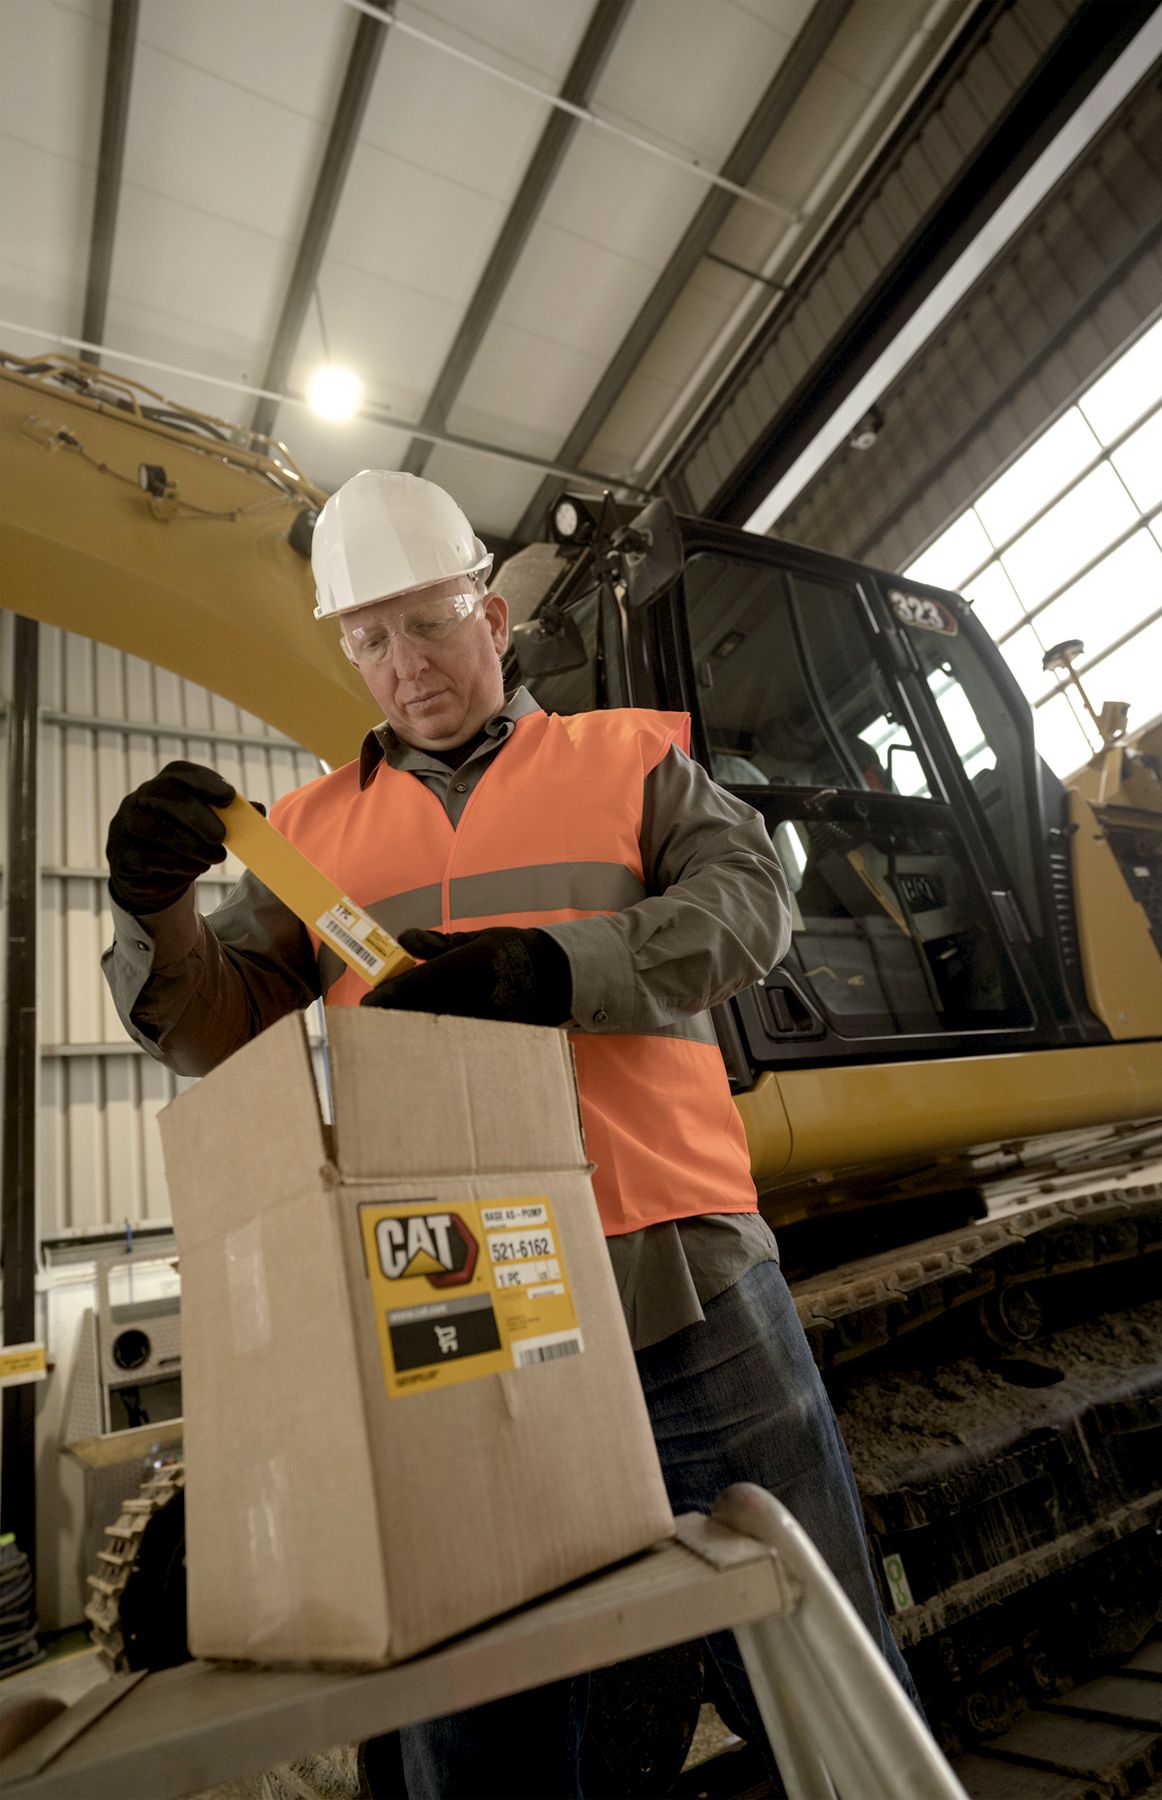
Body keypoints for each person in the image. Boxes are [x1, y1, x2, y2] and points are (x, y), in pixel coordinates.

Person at [102, 471, 920, 1798]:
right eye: (367, 636)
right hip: (463, 1312)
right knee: (485, 1716)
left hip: (684, 1283)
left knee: (821, 1670)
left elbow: (751, 906)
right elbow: (215, 1026)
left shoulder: (628, 762)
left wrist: (549, 971)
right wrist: (155, 913)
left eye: (426, 623)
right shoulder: (306, 836)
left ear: (491, 615)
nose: (403, 664)